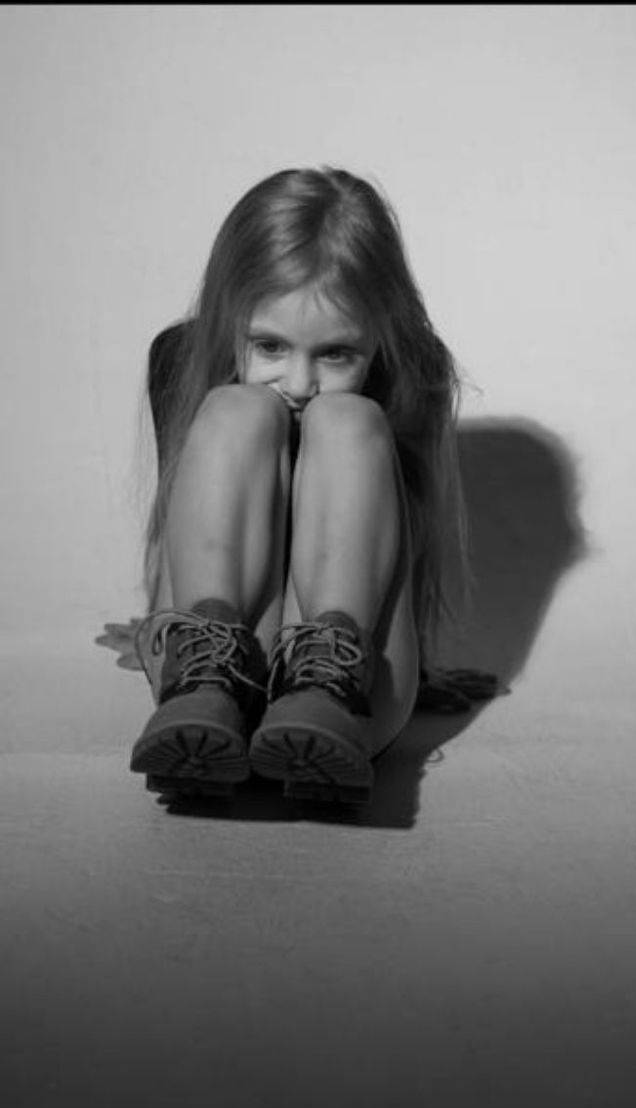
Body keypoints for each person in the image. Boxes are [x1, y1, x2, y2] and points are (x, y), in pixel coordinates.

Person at [127, 164, 490, 807]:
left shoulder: (414, 372)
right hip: (198, 670)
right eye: (269, 346)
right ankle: (207, 665)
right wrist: (151, 614)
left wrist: (421, 669)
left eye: (336, 354)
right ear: (227, 315)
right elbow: (179, 521)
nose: (298, 383)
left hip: (360, 678)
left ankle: (326, 685)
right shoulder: (180, 357)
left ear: (381, 334)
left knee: (347, 419)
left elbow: (407, 553)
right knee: (237, 408)